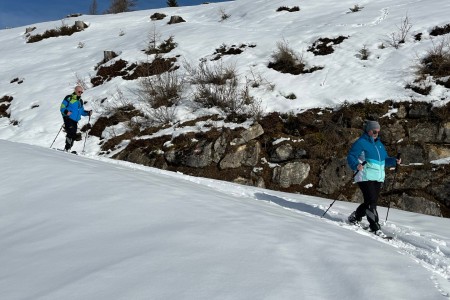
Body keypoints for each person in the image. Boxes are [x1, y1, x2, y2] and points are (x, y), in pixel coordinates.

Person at [347, 120, 401, 235]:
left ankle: (356, 216)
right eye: (375, 131)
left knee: (370, 202)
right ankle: (375, 227)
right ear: (369, 131)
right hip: (364, 176)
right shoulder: (361, 142)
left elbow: (385, 160)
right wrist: (356, 165)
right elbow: (351, 156)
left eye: (378, 131)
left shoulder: (379, 145)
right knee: (371, 202)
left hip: (377, 177)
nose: (377, 133)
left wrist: (394, 161)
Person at [60, 86, 91, 152]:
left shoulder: (80, 101)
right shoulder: (69, 98)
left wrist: (88, 113)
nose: (80, 93)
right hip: (68, 118)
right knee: (70, 132)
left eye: (81, 92)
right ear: (75, 91)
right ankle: (67, 148)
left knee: (73, 134)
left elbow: (81, 111)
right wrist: (66, 112)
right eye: (79, 91)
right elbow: (62, 107)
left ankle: (68, 148)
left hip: (75, 120)